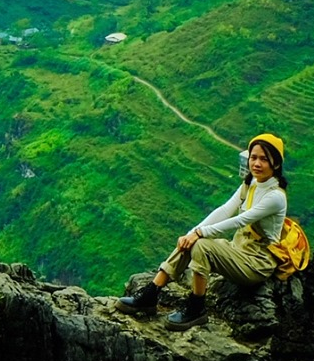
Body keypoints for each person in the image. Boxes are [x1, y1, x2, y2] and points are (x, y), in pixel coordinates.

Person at [117, 133, 288, 328]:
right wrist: (193, 232)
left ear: (275, 164)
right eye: (253, 157)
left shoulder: (275, 196)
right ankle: (151, 293)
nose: (256, 163)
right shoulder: (251, 184)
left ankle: (196, 308)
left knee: (202, 246)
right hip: (238, 249)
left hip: (256, 262)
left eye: (264, 159)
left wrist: (200, 234)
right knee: (191, 242)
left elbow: (240, 220)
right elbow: (225, 210)